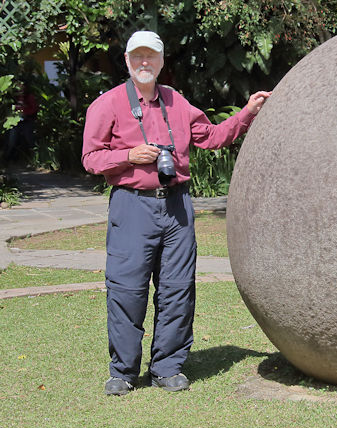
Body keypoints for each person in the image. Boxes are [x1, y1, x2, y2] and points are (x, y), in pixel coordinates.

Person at [81, 30, 271, 396]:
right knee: (127, 290)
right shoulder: (107, 104)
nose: (144, 63)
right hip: (132, 205)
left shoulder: (176, 102)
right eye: (137, 56)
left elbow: (213, 137)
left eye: (150, 56)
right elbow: (90, 158)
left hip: (177, 205)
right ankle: (123, 371)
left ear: (161, 61)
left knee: (178, 289)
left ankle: (167, 367)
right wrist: (128, 156)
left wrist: (247, 112)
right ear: (126, 60)